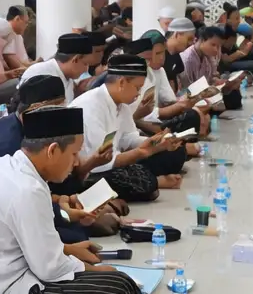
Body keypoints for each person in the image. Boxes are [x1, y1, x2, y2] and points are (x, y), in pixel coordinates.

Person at [0, 107, 161, 294]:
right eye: (74, 154)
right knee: (118, 286)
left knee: (88, 265)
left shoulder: (3, 167)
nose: (76, 163)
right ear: (53, 150)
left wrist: (68, 249)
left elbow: (26, 243)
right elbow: (50, 270)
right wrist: (99, 271)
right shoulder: (27, 189)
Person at [0, 76, 118, 249]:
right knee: (72, 237)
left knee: (69, 232)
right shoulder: (7, 143)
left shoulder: (29, 135)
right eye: (55, 109)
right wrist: (66, 215)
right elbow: (16, 200)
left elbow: (47, 186)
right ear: (34, 111)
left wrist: (70, 203)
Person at [73, 54, 184, 200]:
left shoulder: (121, 104)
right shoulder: (90, 107)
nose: (138, 94)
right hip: (90, 173)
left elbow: (127, 138)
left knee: (176, 153)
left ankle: (152, 181)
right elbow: (101, 162)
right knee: (139, 180)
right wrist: (142, 152)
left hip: (115, 161)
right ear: (122, 83)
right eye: (137, 88)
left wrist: (158, 143)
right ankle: (155, 181)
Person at [18, 32, 92, 104]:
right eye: (85, 64)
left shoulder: (69, 79)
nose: (86, 69)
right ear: (75, 60)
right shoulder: (40, 74)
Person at [1, 5, 32, 73]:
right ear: (17, 19)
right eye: (26, 22)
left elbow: (21, 62)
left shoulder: (16, 34)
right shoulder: (7, 32)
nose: (26, 26)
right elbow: (11, 59)